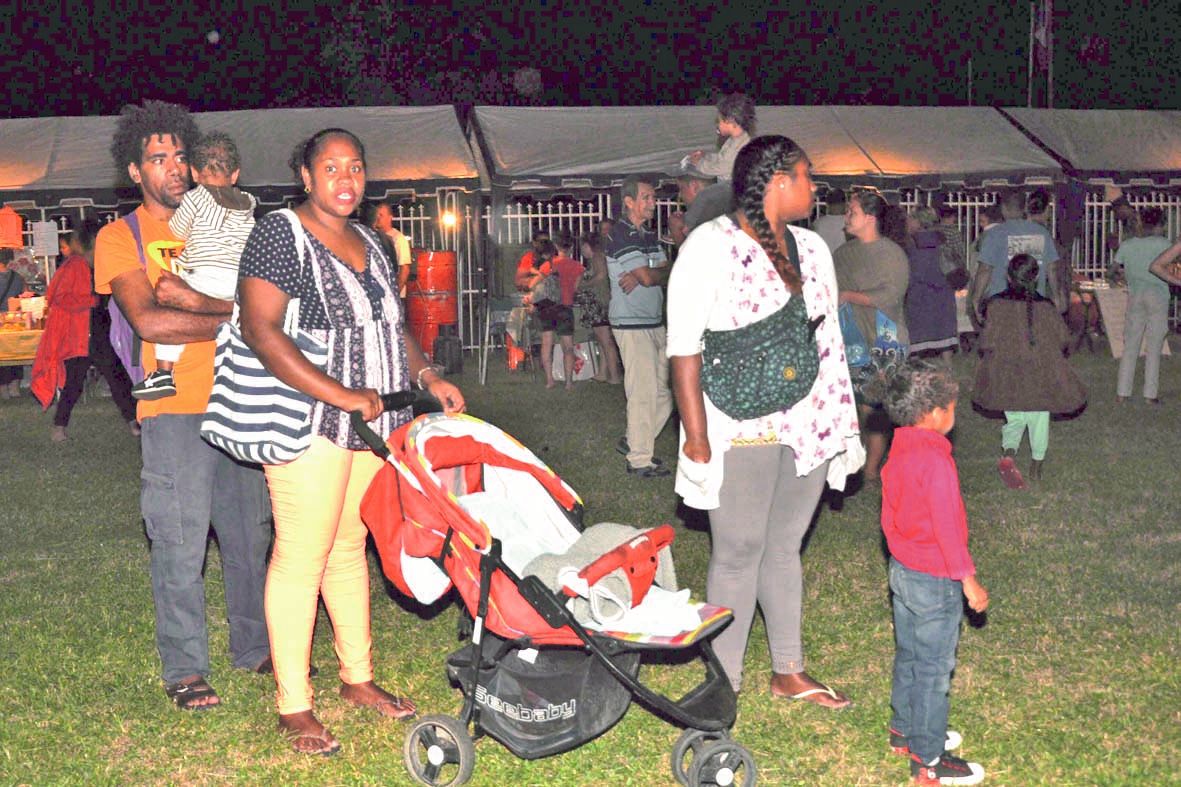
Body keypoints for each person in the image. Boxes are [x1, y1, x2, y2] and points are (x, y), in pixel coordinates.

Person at [238, 128, 465, 756]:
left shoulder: (373, 240)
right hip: (307, 419)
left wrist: (427, 377)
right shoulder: (280, 235)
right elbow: (261, 330)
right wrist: (340, 393)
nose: (345, 178)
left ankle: (357, 678)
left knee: (348, 544)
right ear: (305, 177)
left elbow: (392, 329)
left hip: (374, 420)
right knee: (302, 552)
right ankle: (293, 703)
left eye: (356, 167)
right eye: (330, 167)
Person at [668, 135, 864, 706]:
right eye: (806, 175)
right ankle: (722, 683)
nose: (813, 186)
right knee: (737, 549)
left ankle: (788, 669)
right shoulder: (710, 245)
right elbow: (684, 348)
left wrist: (839, 420)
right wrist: (697, 438)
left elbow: (826, 338)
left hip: (809, 419)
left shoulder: (813, 247)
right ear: (777, 181)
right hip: (738, 419)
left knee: (783, 545)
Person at [94, 100, 273, 710]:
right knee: (179, 537)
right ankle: (185, 667)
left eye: (178, 154)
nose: (172, 167)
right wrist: (242, 318)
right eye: (156, 158)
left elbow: (269, 302)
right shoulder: (122, 237)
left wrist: (203, 305)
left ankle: (255, 648)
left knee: (251, 534)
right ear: (135, 172)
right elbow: (149, 320)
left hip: (243, 397)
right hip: (174, 407)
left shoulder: (233, 219)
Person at [874, 359, 988, 787]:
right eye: (953, 408)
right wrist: (968, 578)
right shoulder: (936, 462)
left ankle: (904, 729)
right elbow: (947, 527)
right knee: (933, 670)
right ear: (936, 412)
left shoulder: (899, 447)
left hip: (903, 572)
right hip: (935, 580)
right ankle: (929, 759)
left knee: (910, 654)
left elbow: (890, 516)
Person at [133, 132, 257, 400]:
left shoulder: (195, 198)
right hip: (237, 280)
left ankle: (164, 372)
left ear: (194, 173)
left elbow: (178, 230)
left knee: (172, 311)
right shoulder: (247, 202)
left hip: (206, 275)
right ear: (235, 174)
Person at [973, 254, 1086, 486]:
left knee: (1013, 419)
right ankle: (1036, 466)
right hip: (1041, 374)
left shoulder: (996, 305)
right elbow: (1063, 339)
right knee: (1039, 420)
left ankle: (1009, 454)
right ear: (1036, 277)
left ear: (1007, 276)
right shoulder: (1046, 307)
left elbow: (986, 342)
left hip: (1008, 374)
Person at [30, 220, 138, 440]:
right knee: (76, 382)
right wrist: (92, 300)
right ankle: (59, 427)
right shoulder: (76, 265)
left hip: (97, 332)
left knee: (116, 379)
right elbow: (60, 298)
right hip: (82, 335)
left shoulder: (95, 263)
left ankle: (133, 422)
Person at [834, 188, 910, 482]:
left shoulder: (891, 253)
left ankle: (871, 469)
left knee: (873, 406)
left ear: (869, 217)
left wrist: (848, 295)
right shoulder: (843, 254)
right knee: (858, 407)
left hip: (885, 339)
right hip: (852, 338)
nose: (846, 216)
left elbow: (890, 295)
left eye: (851, 211)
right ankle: (864, 462)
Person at [606, 175, 673, 477]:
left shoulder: (648, 236)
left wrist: (647, 272)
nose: (652, 202)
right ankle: (640, 460)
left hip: (653, 321)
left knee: (664, 393)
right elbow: (651, 276)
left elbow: (664, 271)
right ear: (629, 202)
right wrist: (646, 273)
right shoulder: (621, 234)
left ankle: (634, 440)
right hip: (631, 324)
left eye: (653, 197)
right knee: (643, 393)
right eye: (646, 197)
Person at [968, 191, 1064, 326]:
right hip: (1034, 299)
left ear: (1003, 208)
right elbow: (1052, 268)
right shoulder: (1042, 232)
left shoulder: (994, 234)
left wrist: (976, 299)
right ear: (1025, 207)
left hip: (1001, 302)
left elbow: (985, 269)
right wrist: (1056, 296)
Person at [1113, 208, 1174, 403]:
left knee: (1130, 345)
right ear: (1161, 224)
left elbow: (1113, 270)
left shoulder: (1128, 245)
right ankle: (1150, 395)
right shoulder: (1165, 244)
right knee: (1154, 346)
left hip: (1135, 295)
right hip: (1158, 295)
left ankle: (1122, 392)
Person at [516, 235, 585, 389]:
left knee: (546, 344)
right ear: (572, 248)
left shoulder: (550, 265)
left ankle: (550, 380)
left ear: (556, 246)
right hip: (565, 307)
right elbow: (576, 289)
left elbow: (533, 284)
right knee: (568, 346)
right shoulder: (577, 266)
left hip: (547, 308)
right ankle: (568, 382)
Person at [904, 207, 958, 361]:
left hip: (919, 293)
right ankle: (949, 371)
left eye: (910, 219)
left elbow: (913, 269)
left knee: (918, 335)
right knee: (944, 333)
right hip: (943, 292)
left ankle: (917, 372)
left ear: (918, 222)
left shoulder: (912, 244)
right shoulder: (942, 239)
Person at [575, 232, 623, 384]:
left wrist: (583, 285)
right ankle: (603, 373)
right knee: (602, 340)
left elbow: (601, 276)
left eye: (582, 246)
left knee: (605, 340)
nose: (581, 250)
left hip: (600, 303)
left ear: (588, 246)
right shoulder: (597, 257)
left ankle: (614, 376)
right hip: (600, 303)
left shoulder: (597, 257)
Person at [685, 92, 755, 182]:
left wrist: (698, 163)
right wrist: (705, 156)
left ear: (730, 120)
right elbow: (722, 159)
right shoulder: (735, 140)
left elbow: (719, 167)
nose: (717, 124)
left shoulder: (742, 146)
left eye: (719, 121)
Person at [668, 171, 727, 247]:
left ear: (694, 186)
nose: (679, 195)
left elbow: (695, 256)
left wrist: (676, 232)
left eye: (681, 188)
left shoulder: (704, 218)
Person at [366, 200, 412, 297]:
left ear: (390, 217)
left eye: (381, 215)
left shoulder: (398, 239)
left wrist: (395, 292)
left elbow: (405, 268)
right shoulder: (373, 236)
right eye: (376, 215)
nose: (378, 218)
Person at [0, 249, 28, 398]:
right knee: (17, 353)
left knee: (2, 354)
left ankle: (3, 387)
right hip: (15, 321)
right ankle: (15, 386)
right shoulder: (18, 277)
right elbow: (25, 296)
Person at [812, 187, 848, 254]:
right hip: (843, 262)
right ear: (845, 204)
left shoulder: (817, 224)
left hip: (823, 261)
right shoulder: (850, 223)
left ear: (827, 204)